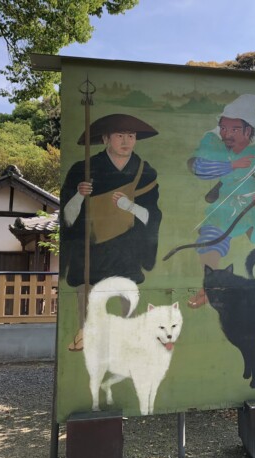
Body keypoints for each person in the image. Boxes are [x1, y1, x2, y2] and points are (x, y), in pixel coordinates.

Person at [61, 113, 162, 351]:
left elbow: (152, 215)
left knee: (127, 287)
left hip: (126, 241)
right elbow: (67, 217)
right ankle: (85, 331)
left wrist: (130, 206)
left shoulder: (144, 172)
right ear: (106, 139)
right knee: (86, 285)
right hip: (92, 241)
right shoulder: (83, 169)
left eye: (131, 136)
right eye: (119, 136)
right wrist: (79, 195)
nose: (126, 141)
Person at [187, 94, 255, 307]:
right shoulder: (213, 139)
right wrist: (231, 166)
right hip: (230, 200)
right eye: (224, 128)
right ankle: (210, 288)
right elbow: (199, 167)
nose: (227, 134)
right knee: (212, 232)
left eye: (234, 130)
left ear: (248, 131)